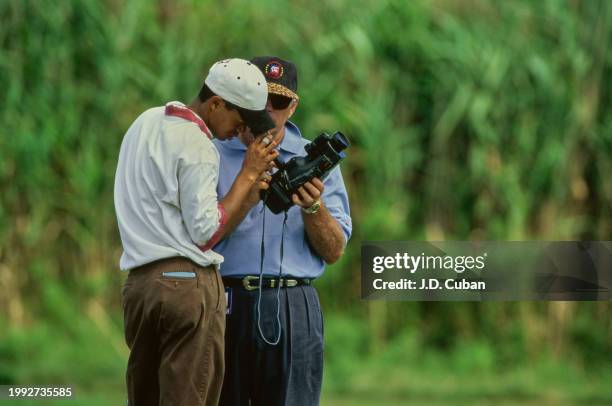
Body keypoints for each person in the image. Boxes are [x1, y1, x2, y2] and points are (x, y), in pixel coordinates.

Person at [114, 58, 280, 406]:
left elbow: (190, 224)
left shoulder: (146, 122)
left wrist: (244, 201)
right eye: (241, 119)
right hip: (186, 285)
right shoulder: (199, 145)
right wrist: (248, 175)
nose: (242, 131)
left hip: (140, 286)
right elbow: (205, 234)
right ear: (216, 102)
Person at [213, 56, 352, 406]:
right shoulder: (212, 152)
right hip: (225, 299)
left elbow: (334, 251)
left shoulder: (316, 161)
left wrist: (313, 206)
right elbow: (199, 236)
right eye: (259, 100)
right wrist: (248, 176)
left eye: (277, 103)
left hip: (293, 302)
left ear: (292, 107)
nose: (267, 111)